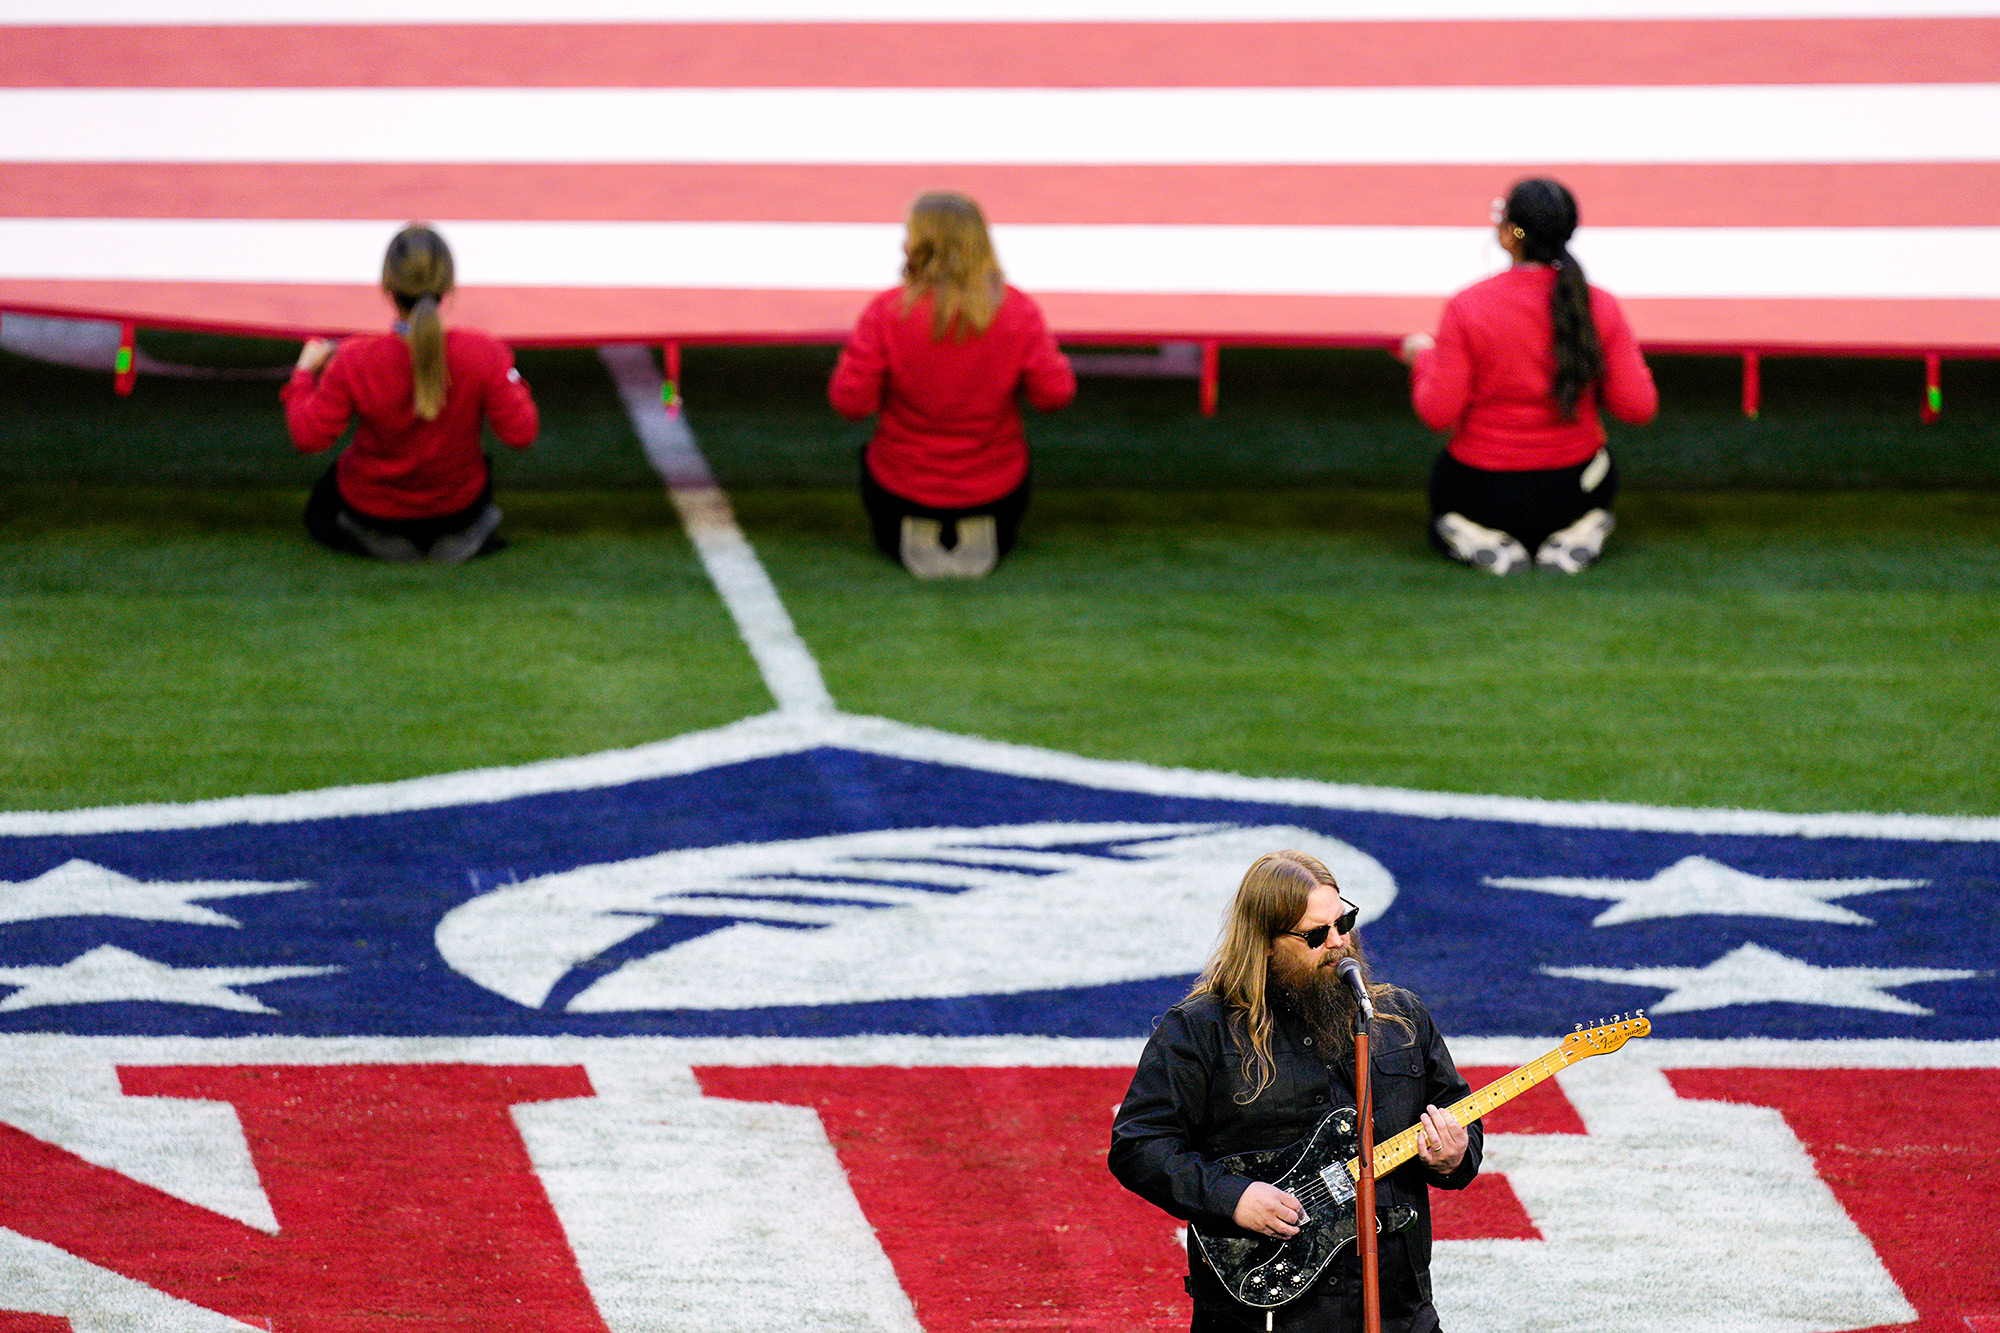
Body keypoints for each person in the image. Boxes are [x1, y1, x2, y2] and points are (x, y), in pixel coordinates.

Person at [1110, 851, 1480, 1333]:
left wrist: (1454, 1154)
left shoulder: (1399, 1017)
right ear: (1263, 943)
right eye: (1315, 935)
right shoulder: (1202, 1031)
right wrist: (1232, 1197)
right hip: (1266, 1313)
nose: (1339, 942)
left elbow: (1458, 1116)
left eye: (1343, 920)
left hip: (1398, 1307)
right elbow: (1139, 1144)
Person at [1400, 178, 1657, 575]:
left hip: (1481, 493)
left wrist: (1423, 357)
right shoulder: (1599, 306)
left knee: (1445, 495)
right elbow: (1637, 407)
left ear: (1509, 235)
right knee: (1597, 471)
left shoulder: (1467, 307)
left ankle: (1476, 535)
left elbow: (1437, 411)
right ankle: (1576, 532)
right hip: (1574, 491)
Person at [829, 191, 1076, 579]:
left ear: (918, 244)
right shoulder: (1018, 310)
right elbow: (1055, 394)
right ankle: (976, 524)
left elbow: (850, 402)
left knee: (879, 463)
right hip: (996, 490)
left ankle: (918, 525)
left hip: (901, 487)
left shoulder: (887, 312)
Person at [283, 224, 537, 563]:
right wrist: (508, 377)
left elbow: (308, 436)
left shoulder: (355, 357)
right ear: (448, 286)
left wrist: (303, 375)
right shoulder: (484, 352)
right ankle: (460, 535)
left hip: (373, 508)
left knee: (323, 502)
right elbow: (521, 432)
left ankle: (378, 539)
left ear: (387, 286)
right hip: (457, 508)